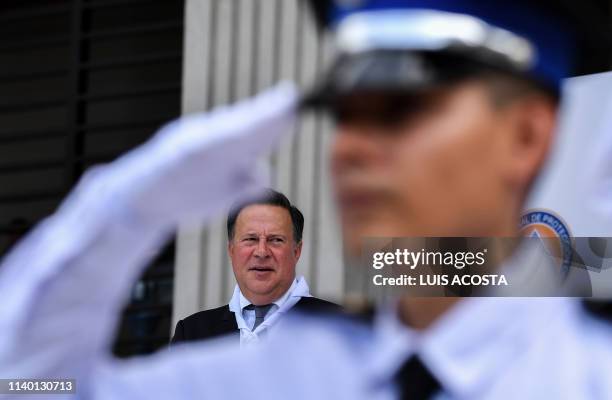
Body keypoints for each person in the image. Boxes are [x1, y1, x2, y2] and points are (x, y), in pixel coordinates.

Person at [1, 1, 612, 399]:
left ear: (527, 135)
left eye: (400, 111)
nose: (348, 148)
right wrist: (121, 211)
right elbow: (29, 385)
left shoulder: (588, 378)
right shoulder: (285, 377)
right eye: (345, 115)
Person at [171, 189, 338, 346]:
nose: (262, 252)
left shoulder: (340, 330)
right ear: (231, 250)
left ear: (296, 251)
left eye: (276, 240)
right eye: (251, 239)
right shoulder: (191, 335)